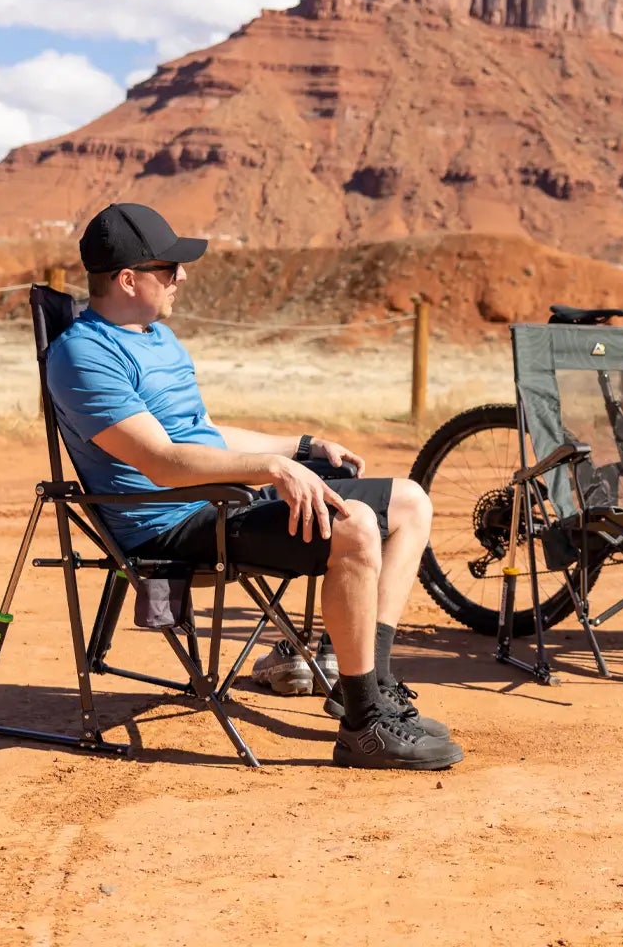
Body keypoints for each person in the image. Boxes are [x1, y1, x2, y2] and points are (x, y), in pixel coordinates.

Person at [46, 202, 461, 770]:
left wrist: (300, 447)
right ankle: (365, 729)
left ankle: (366, 686)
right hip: (171, 523)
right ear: (127, 278)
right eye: (169, 269)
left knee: (409, 503)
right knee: (356, 525)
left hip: (221, 499)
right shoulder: (83, 355)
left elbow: (203, 435)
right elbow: (163, 463)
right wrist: (270, 470)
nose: (182, 278)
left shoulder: (156, 337)